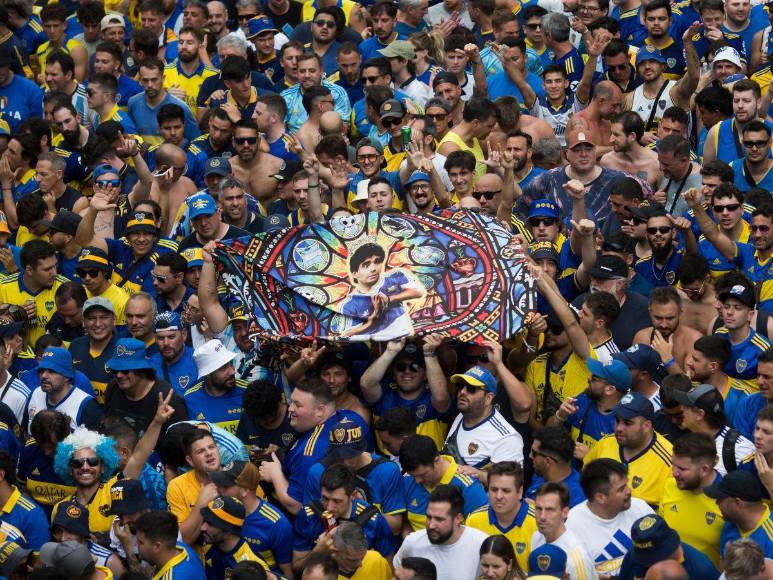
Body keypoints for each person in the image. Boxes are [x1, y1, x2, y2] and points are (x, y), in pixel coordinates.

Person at [302, 416, 405, 533]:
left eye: (350, 455)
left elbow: (395, 527)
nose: (345, 462)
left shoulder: (387, 471)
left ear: (361, 449)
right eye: (338, 456)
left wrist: (359, 509)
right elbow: (309, 521)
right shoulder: (318, 472)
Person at [292, 464, 396, 567]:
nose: (329, 508)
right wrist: (319, 551)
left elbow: (388, 566)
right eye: (325, 498)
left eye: (337, 501)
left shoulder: (373, 521)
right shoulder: (309, 516)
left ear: (353, 495)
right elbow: (297, 566)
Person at [567, 459, 655, 577]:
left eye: (627, 484)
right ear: (600, 498)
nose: (629, 491)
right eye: (621, 489)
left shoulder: (640, 508)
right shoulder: (572, 525)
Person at [583, 393, 673, 508]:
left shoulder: (669, 462)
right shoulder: (605, 443)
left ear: (646, 426)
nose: (619, 428)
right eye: (617, 420)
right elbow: (586, 480)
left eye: (627, 423)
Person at [211, 460, 294, 578]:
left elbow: (288, 574)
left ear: (245, 490)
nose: (219, 489)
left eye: (225, 486)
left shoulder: (276, 524)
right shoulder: (218, 509)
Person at [395, 485, 488, 580]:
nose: (431, 525)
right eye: (429, 517)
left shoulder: (480, 544)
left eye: (439, 519)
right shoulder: (412, 542)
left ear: (458, 519)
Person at [444, 366, 524, 477]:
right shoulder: (462, 415)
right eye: (460, 386)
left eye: (471, 388)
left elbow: (510, 482)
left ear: (488, 398)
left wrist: (479, 475)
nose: (462, 392)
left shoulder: (506, 438)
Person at [659, 432, 724, 567]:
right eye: (673, 465)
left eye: (682, 469)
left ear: (704, 469)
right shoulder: (669, 485)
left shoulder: (727, 500)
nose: (674, 473)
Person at [400, 434, 488, 531]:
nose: (417, 481)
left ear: (436, 460)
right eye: (413, 476)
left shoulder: (468, 487)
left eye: (422, 474)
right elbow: (403, 522)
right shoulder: (407, 479)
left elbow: (480, 530)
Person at [465, 461, 538, 571]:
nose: (498, 496)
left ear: (520, 492)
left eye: (506, 491)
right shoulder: (474, 520)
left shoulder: (537, 523)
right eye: (494, 490)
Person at [672, 383, 754, 475]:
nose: (681, 409)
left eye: (686, 406)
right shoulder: (687, 442)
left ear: (699, 414)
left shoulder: (740, 450)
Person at [618, 514, 719, 578]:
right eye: (645, 560)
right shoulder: (635, 557)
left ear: (669, 548)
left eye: (652, 558)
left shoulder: (702, 569)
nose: (648, 565)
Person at [27, 346, 103, 432]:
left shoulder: (86, 406)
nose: (44, 376)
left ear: (66, 376)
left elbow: (96, 440)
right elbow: (25, 432)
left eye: (51, 371)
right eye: (41, 370)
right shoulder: (35, 393)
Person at [531, 482, 596, 579]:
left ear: (565, 512)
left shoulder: (577, 557)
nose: (542, 516)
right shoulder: (536, 537)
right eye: (539, 509)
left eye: (550, 509)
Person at [705, 470, 773, 558]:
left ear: (738, 503)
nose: (717, 503)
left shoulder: (770, 540)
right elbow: (724, 565)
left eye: (720, 499)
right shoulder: (729, 524)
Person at [199, 495, 270, 579]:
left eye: (210, 524)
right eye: (204, 520)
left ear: (229, 530)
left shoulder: (251, 569)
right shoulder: (210, 540)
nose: (202, 528)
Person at [184, 339, 245, 433]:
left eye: (231, 363)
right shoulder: (190, 399)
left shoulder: (247, 391)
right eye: (223, 368)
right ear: (207, 373)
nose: (232, 371)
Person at [133, 510, 204, 576]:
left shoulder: (174, 577)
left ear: (157, 546)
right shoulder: (180, 547)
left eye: (140, 542)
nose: (136, 545)